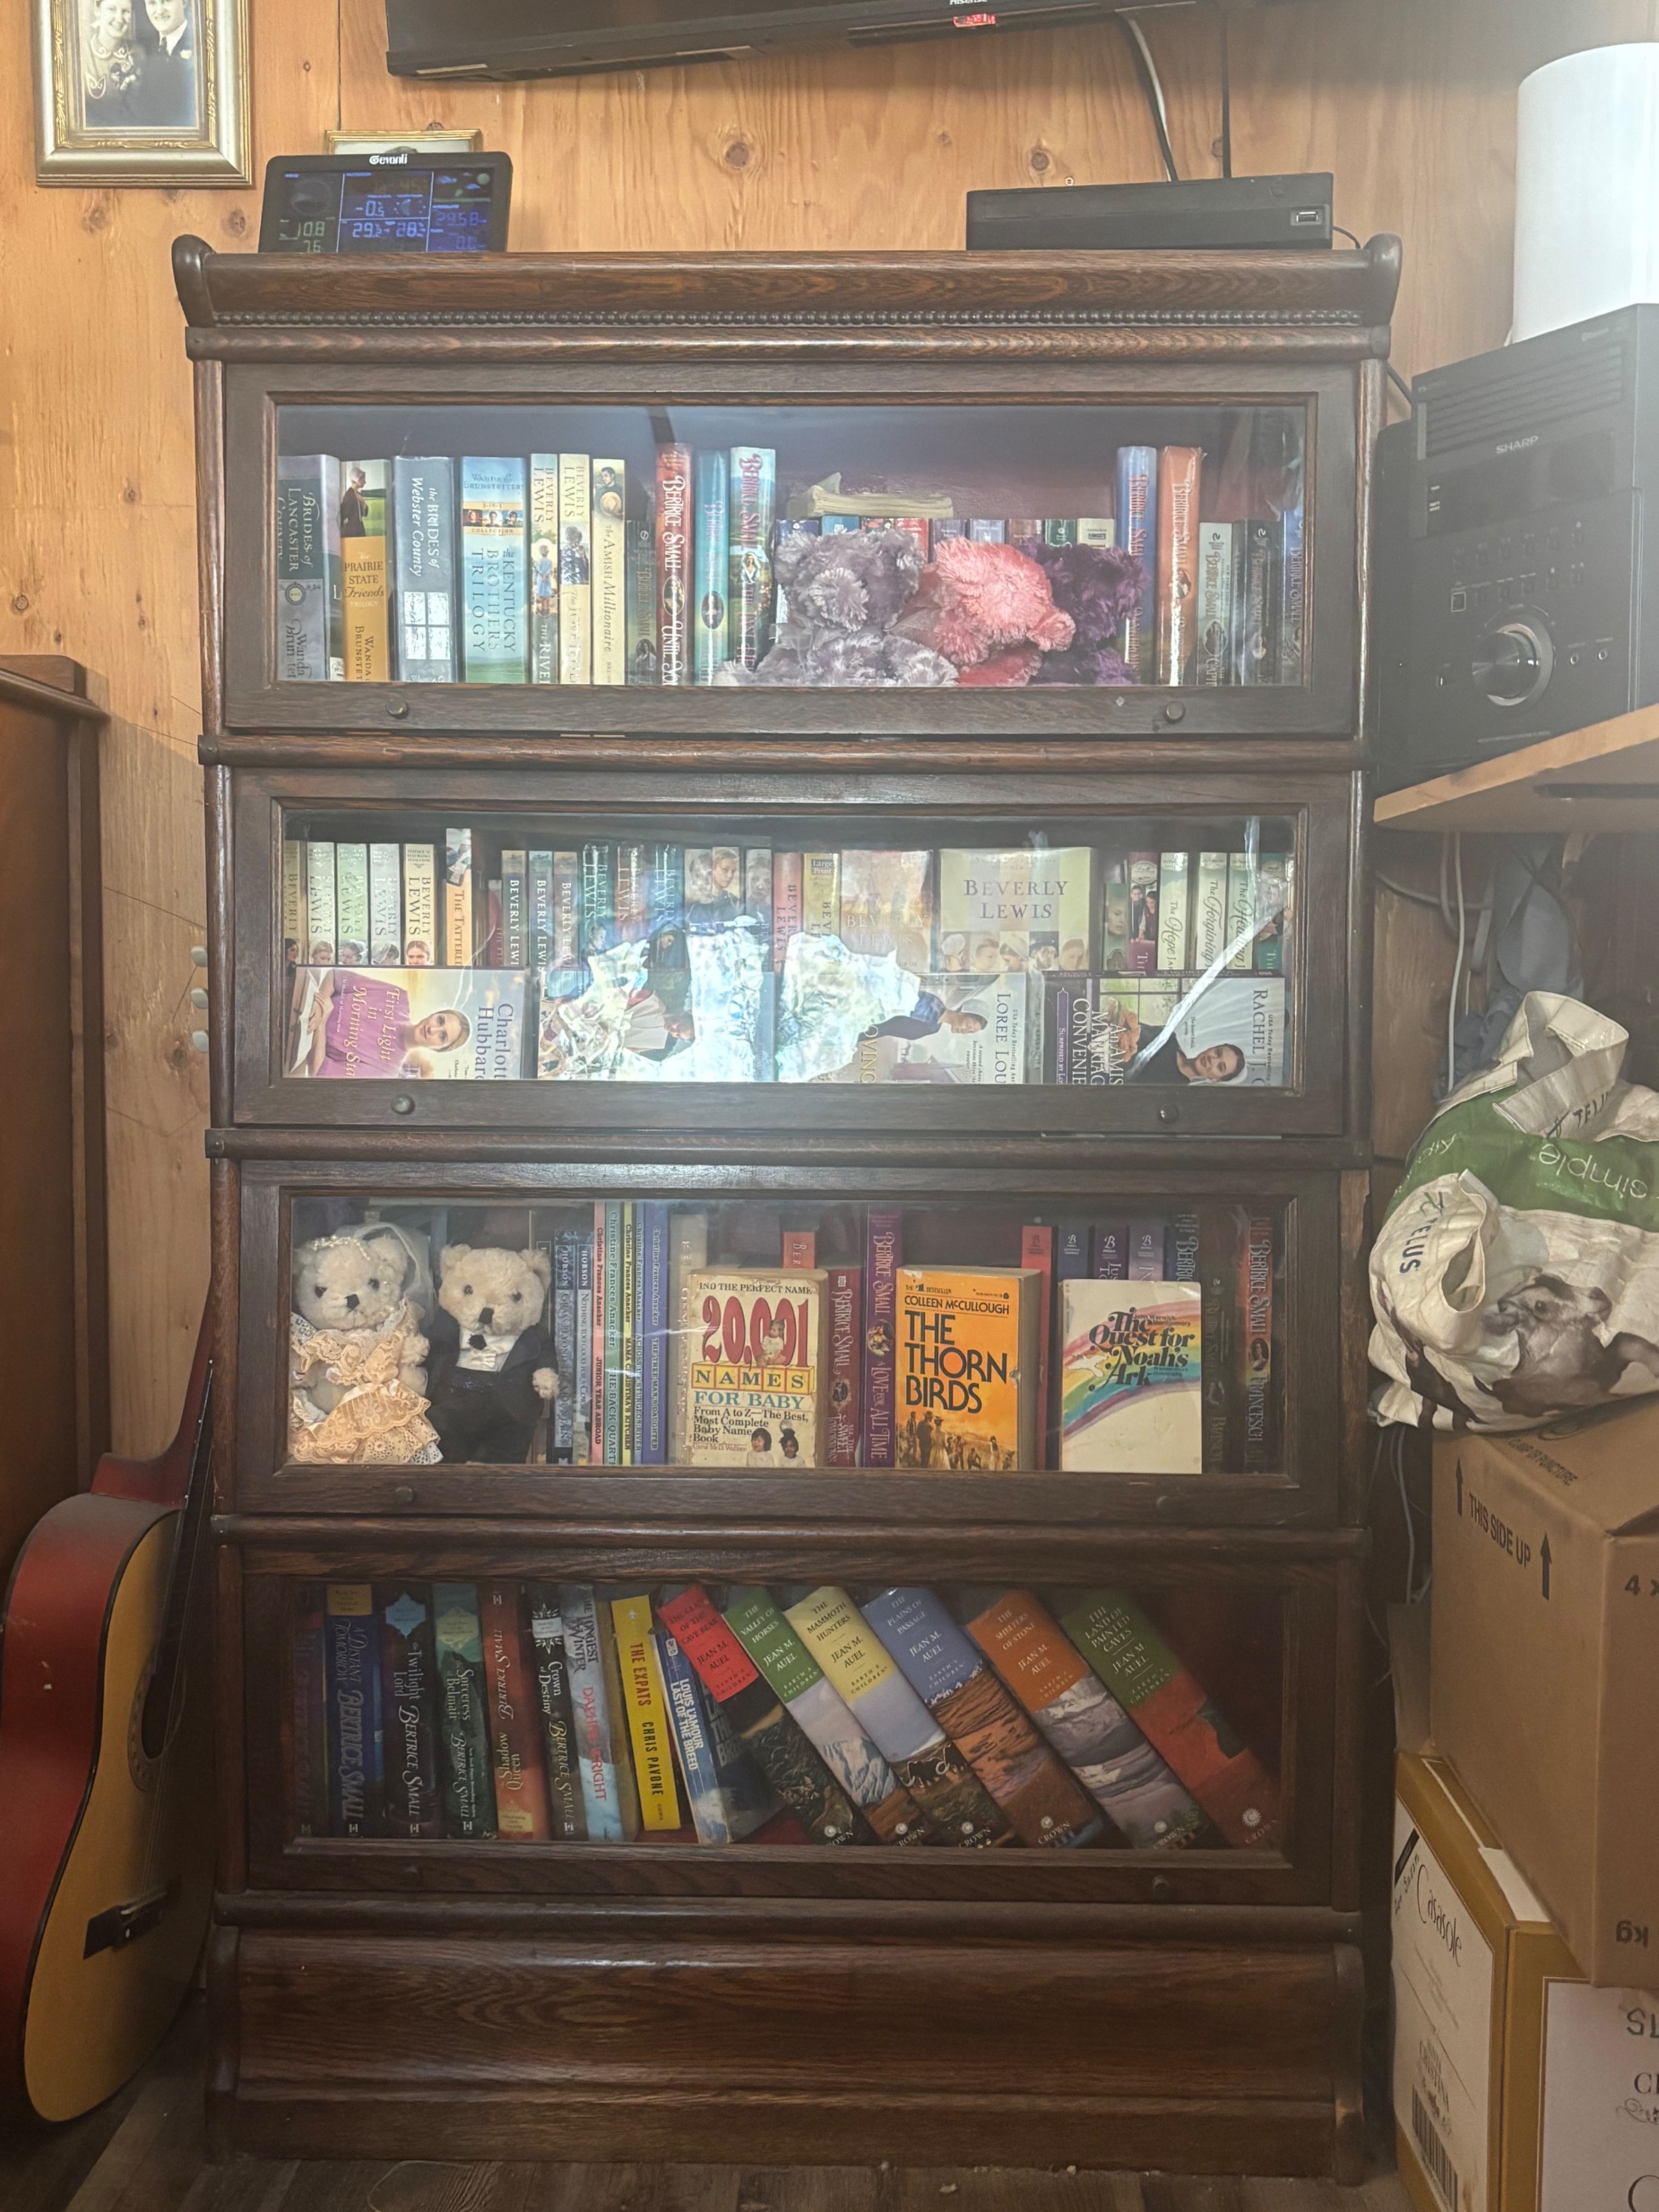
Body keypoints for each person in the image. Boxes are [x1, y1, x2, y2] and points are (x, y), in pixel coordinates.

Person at [300, 970, 470, 1080]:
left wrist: (321, 1024)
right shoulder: (398, 997)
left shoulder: (386, 1071)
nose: (433, 1029)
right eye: (440, 1020)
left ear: (438, 1049)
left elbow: (319, 1072)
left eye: (442, 1036)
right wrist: (321, 999)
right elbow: (336, 977)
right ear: (434, 1014)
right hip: (302, 994)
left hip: (295, 1042)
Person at [133, 0, 197, 126]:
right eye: (152, 3)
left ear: (184, 2)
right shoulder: (144, 49)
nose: (159, 10)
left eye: (166, 1)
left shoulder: (201, 43)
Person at [81, 0, 143, 123]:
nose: (119, 19)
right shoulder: (81, 54)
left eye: (125, 11)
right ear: (97, 10)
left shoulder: (140, 54)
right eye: (112, 9)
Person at [860, 993, 986, 1046]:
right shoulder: (930, 1003)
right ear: (963, 1012)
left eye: (971, 1032)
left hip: (868, 1032)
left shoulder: (934, 1028)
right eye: (969, 1025)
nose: (966, 1031)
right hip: (863, 1017)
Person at [339, 466, 368, 539]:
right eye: (363, 479)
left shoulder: (358, 495)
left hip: (359, 530)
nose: (365, 481)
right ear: (357, 479)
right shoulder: (349, 496)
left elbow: (364, 514)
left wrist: (363, 503)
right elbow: (343, 515)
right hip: (351, 533)